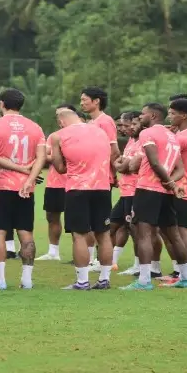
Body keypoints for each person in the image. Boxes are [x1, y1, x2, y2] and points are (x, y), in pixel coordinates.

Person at [0, 88, 47, 290]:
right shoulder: (35, 127)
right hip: (25, 189)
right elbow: (41, 157)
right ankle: (27, 280)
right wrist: (29, 178)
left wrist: (18, 168)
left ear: (1, 104)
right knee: (26, 232)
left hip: (1, 186)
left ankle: (0, 280)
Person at [122, 102, 187, 290]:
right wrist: (171, 184)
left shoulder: (147, 133)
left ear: (152, 116)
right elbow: (180, 170)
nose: (139, 118)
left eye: (142, 115)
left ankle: (144, 281)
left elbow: (154, 162)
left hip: (147, 189)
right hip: (165, 193)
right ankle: (185, 278)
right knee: (174, 235)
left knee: (144, 234)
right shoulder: (173, 136)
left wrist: (167, 183)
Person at [51, 104, 116, 290]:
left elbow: (60, 167)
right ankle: (104, 279)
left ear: (61, 121)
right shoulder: (100, 132)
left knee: (79, 235)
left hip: (77, 189)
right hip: (102, 188)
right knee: (103, 234)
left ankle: (82, 281)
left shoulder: (58, 136)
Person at [161, 96, 187, 286]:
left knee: (178, 230)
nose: (169, 117)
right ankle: (186, 273)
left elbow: (166, 157)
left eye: (172, 113)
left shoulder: (183, 137)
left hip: (181, 186)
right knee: (184, 228)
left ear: (184, 115)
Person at [79, 87, 121, 269]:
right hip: (88, 179)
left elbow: (114, 149)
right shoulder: (90, 123)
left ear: (96, 101)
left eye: (84, 99)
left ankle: (100, 260)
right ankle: (91, 258)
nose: (81, 103)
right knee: (88, 222)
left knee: (100, 223)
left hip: (102, 179)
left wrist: (115, 173)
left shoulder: (106, 121)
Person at [112, 111, 143, 276]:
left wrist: (120, 164)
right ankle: (111, 261)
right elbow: (120, 162)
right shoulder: (131, 140)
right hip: (125, 191)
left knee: (134, 229)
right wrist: (120, 164)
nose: (123, 129)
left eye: (126, 125)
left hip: (135, 191)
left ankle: (139, 265)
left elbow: (125, 166)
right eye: (121, 125)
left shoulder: (142, 141)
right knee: (113, 224)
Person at [37, 112, 68, 262]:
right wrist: (57, 157)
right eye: (59, 119)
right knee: (52, 216)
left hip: (76, 183)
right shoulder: (54, 136)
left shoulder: (81, 136)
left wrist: (57, 157)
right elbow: (45, 156)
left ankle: (88, 255)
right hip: (55, 183)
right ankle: (53, 252)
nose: (61, 122)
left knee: (80, 220)